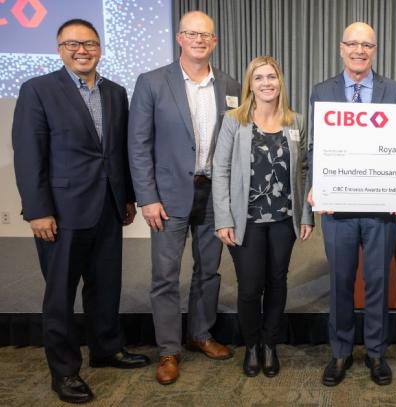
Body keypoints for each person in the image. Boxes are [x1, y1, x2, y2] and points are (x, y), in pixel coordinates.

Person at [12, 18, 149, 403]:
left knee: (106, 287)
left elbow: (118, 152)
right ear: (59, 49)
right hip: (61, 213)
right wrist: (37, 211)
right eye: (72, 44)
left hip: (107, 208)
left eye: (89, 43)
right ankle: (65, 371)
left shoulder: (116, 92)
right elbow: (28, 155)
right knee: (60, 295)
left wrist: (127, 198)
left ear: (100, 48)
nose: (82, 50)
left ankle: (107, 349)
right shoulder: (38, 90)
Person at [127, 11, 241, 385]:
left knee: (208, 272)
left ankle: (201, 334)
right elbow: (138, 145)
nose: (198, 40)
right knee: (165, 276)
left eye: (205, 35)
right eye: (191, 34)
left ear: (214, 42)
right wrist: (147, 197)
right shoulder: (152, 82)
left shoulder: (231, 86)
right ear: (179, 38)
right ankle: (168, 350)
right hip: (168, 196)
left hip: (214, 195)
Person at [305, 22, 396, 386]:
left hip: (381, 207)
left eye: (367, 45)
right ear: (341, 47)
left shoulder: (395, 91)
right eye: (353, 44)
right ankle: (341, 352)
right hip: (338, 208)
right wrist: (317, 186)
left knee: (378, 281)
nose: (359, 50)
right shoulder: (322, 91)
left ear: (375, 50)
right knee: (341, 281)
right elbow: (316, 147)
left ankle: (377, 353)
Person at [212, 56, 313, 378]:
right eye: (259, 78)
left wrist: (306, 215)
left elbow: (304, 171)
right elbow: (221, 170)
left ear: (280, 82)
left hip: (284, 218)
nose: (267, 83)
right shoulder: (234, 120)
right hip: (247, 219)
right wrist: (223, 219)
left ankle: (269, 345)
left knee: (277, 282)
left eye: (272, 77)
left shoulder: (295, 121)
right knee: (250, 287)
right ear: (250, 84)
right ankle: (252, 345)